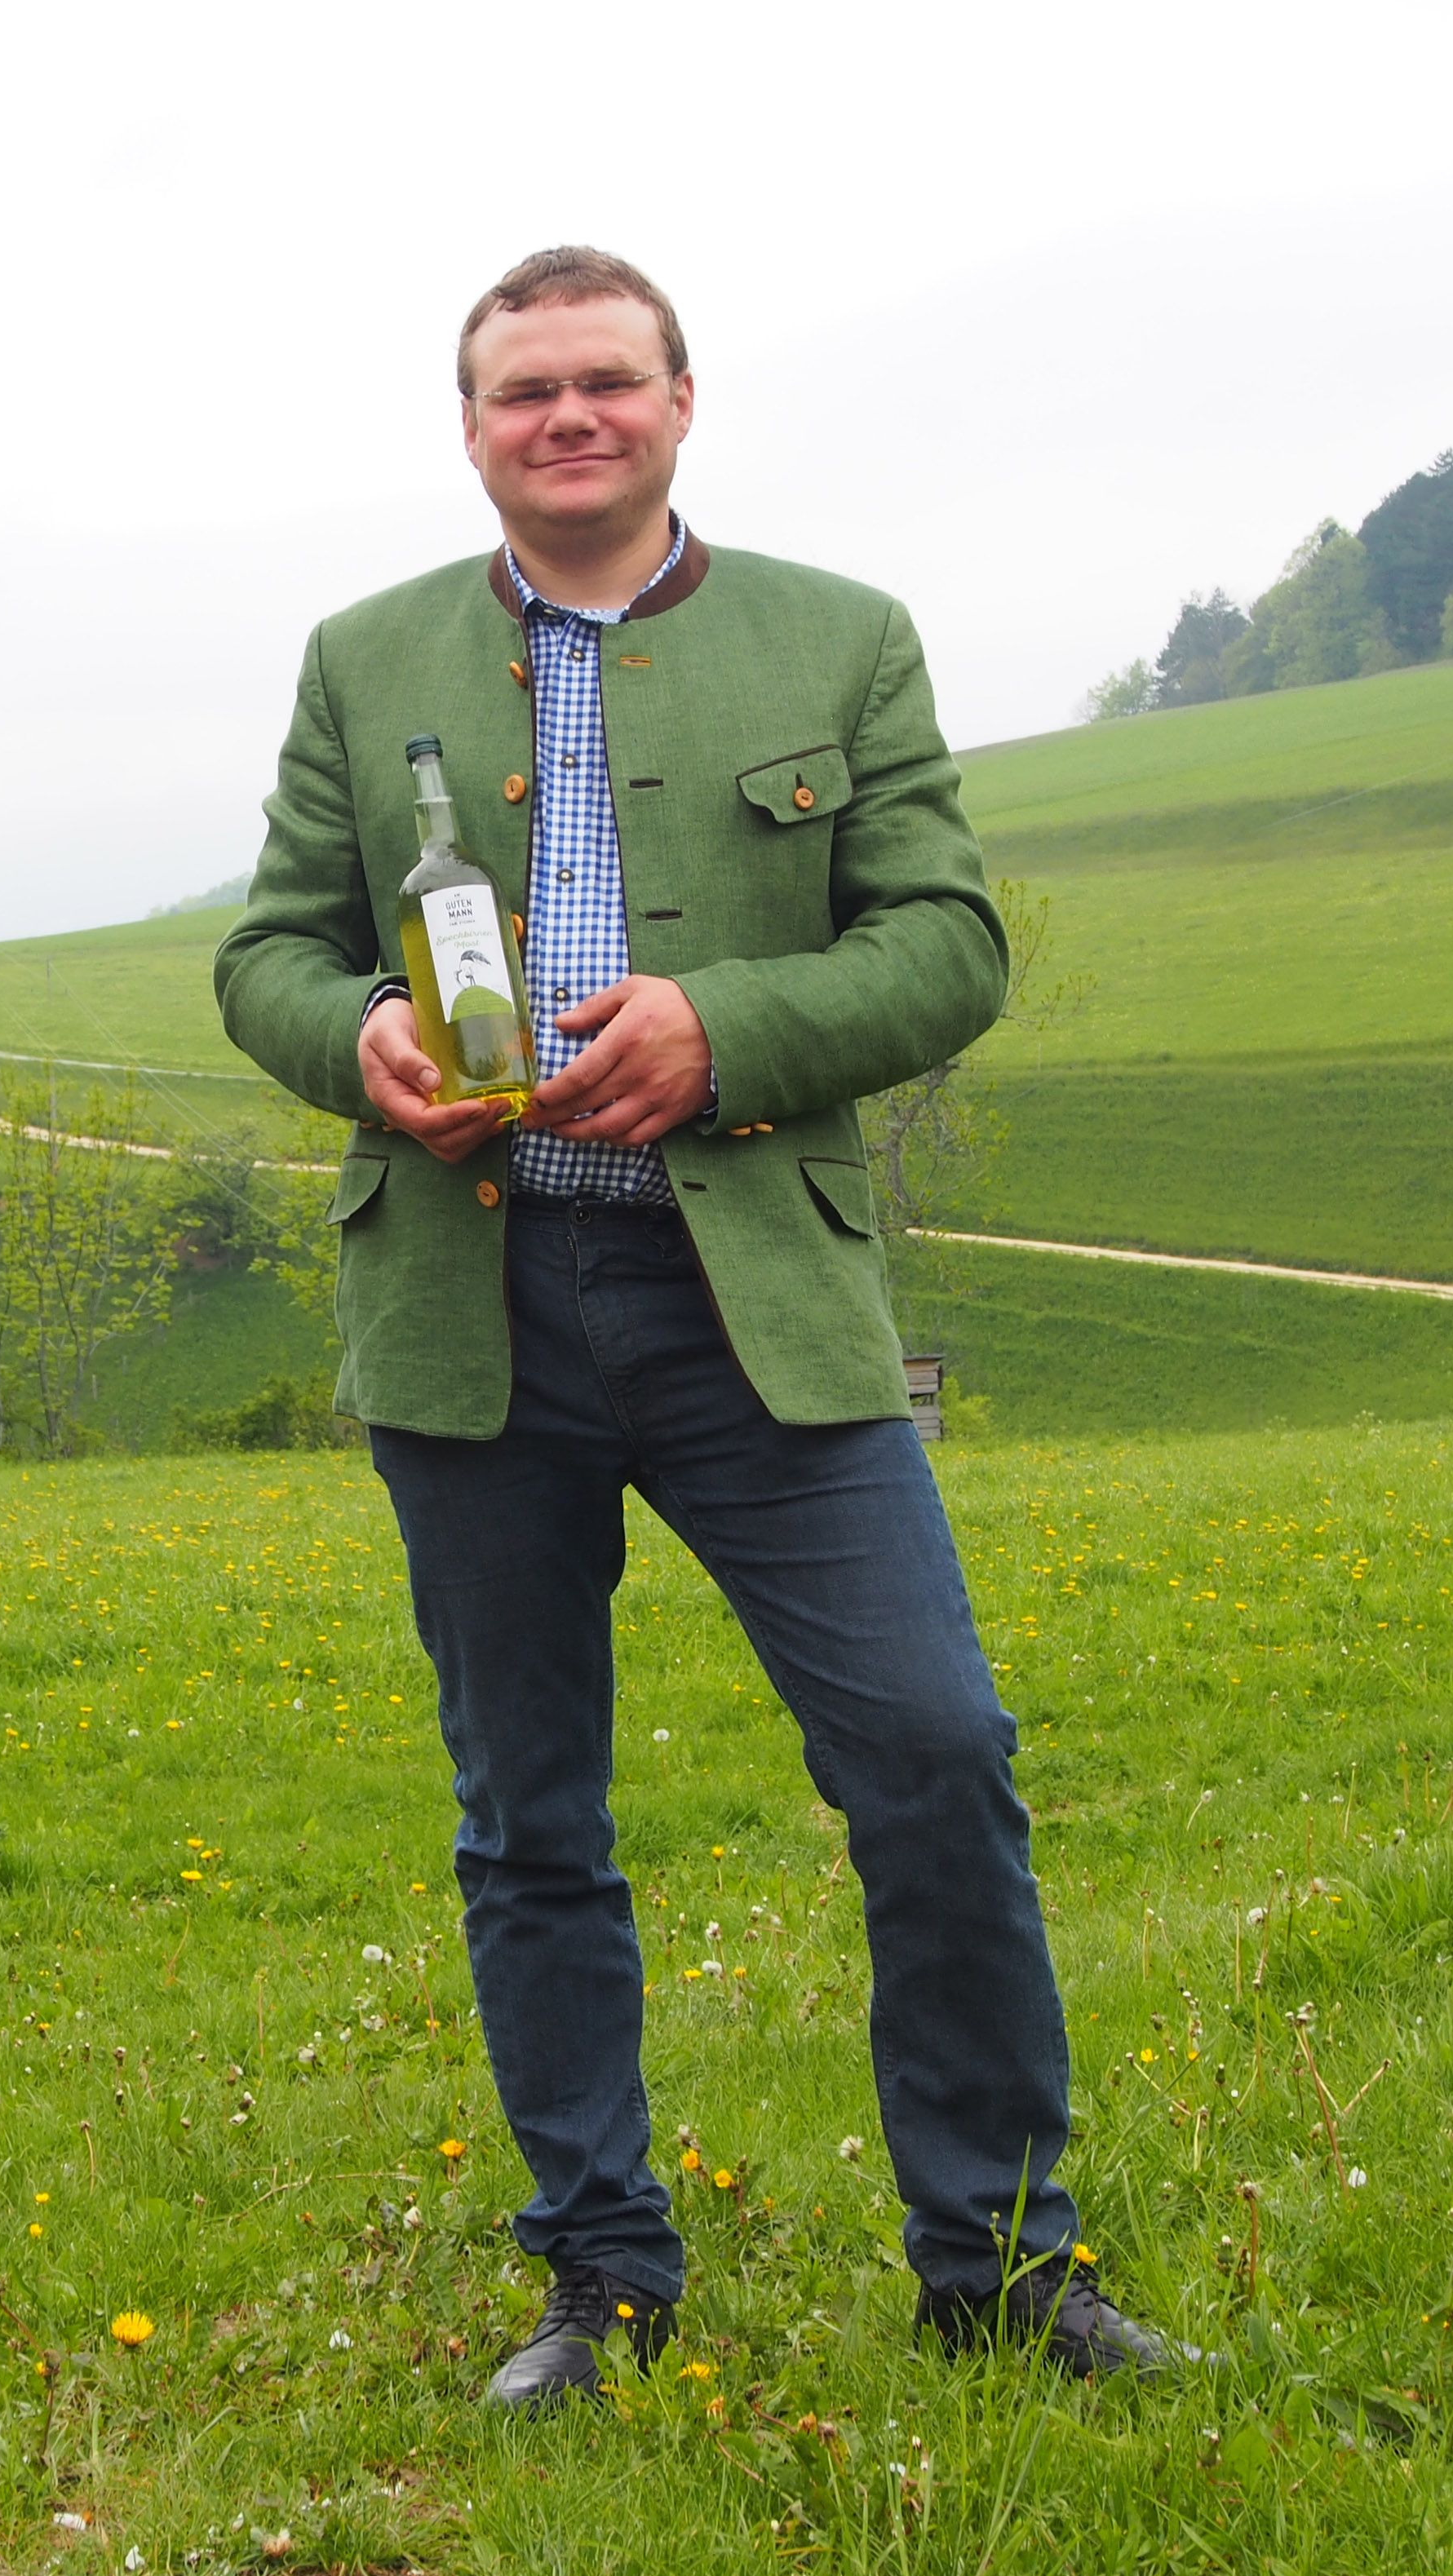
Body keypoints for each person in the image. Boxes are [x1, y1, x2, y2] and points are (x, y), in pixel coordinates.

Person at [213, 246, 1184, 2408]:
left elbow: (949, 942)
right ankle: (605, 2289)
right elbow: (265, 945)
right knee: (528, 1817)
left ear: (679, 401)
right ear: (474, 427)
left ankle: (1006, 2270)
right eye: (523, 390)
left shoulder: (841, 639)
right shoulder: (364, 662)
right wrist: (351, 1030)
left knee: (934, 1756)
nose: (568, 418)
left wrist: (722, 1028)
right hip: (477, 1311)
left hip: (754, 1300)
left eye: (606, 383)